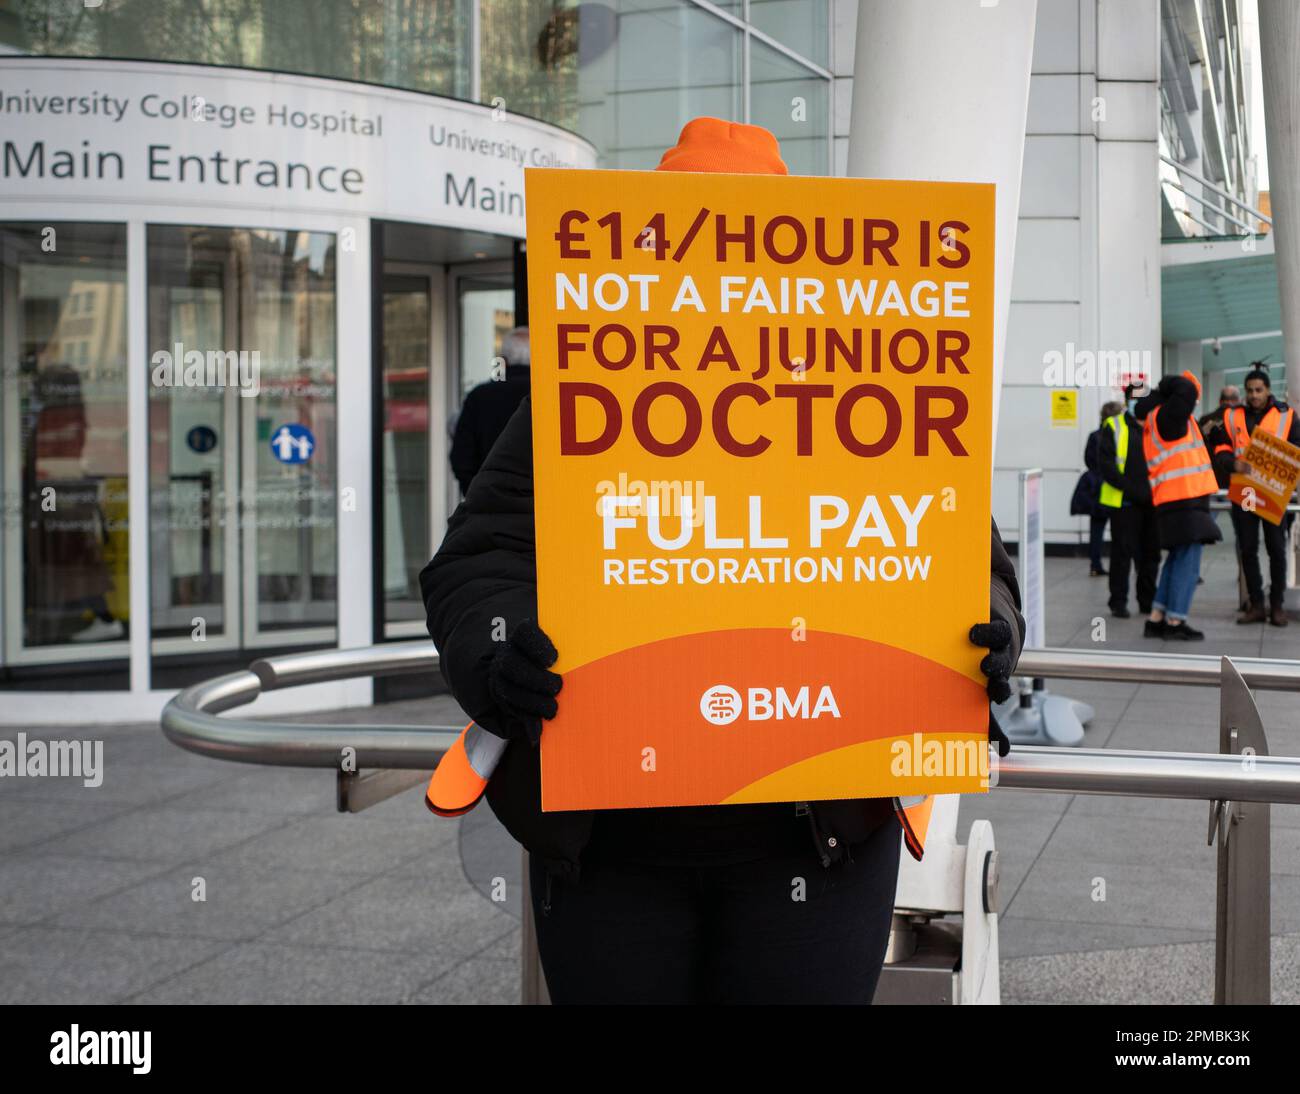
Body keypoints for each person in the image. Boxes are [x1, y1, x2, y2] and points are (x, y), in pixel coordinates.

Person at [419, 117, 1026, 1006]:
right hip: (610, 851)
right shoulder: (574, 389)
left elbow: (965, 554)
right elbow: (478, 563)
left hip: (817, 842)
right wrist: (498, 653)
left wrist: (986, 633)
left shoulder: (860, 382)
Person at [1134, 371, 1222, 640]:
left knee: (1176, 559)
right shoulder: (1167, 417)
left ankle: (1157, 617)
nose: (1194, 401)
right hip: (1183, 499)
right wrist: (1170, 382)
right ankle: (1175, 621)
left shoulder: (1156, 419)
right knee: (1188, 564)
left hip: (1175, 500)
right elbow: (1184, 390)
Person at [1209, 364, 1299, 626]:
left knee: (1276, 549)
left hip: (1272, 490)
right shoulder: (1232, 416)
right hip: (1246, 489)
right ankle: (1256, 604)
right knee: (1247, 548)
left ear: (1268, 390)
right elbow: (1221, 447)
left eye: (1259, 390)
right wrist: (1232, 464)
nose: (1254, 395)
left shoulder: (1286, 415)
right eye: (1250, 390)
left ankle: (1277, 605)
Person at [1098, 386, 1159, 619]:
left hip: (1152, 503)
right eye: (1134, 399)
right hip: (1124, 503)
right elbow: (1106, 465)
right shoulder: (1113, 426)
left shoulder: (1155, 428)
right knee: (1122, 554)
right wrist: (1133, 490)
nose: (1138, 403)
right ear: (1126, 400)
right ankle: (1119, 601)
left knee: (1150, 555)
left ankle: (1147, 601)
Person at [449, 326, 532, 495]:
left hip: (490, 504)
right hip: (540, 506)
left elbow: (462, 458)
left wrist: (475, 496)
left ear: (504, 360)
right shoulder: (550, 393)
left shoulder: (479, 396)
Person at [1081, 402, 1123, 576]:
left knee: (1096, 529)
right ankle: (1118, 565)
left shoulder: (1094, 436)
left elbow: (1088, 460)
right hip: (1113, 487)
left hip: (1095, 487)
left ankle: (1095, 564)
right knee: (1118, 530)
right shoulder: (1118, 436)